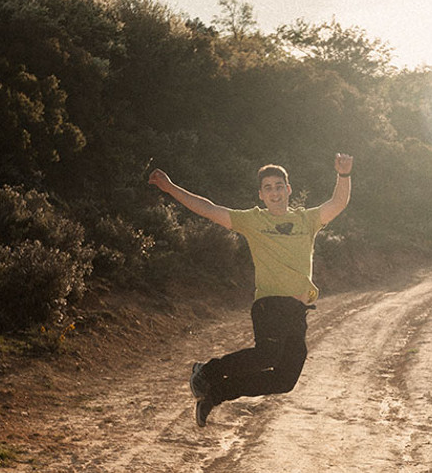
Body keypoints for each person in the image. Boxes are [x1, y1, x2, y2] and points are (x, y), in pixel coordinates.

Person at [148, 154, 353, 426]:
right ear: (261, 195)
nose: (275, 192)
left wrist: (343, 174)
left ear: (288, 189)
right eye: (268, 188)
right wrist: (171, 188)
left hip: (297, 311)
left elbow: (338, 203)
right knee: (267, 355)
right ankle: (206, 372)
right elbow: (209, 209)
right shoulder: (253, 221)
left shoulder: (307, 220)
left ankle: (214, 395)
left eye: (279, 186)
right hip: (270, 305)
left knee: (285, 379)